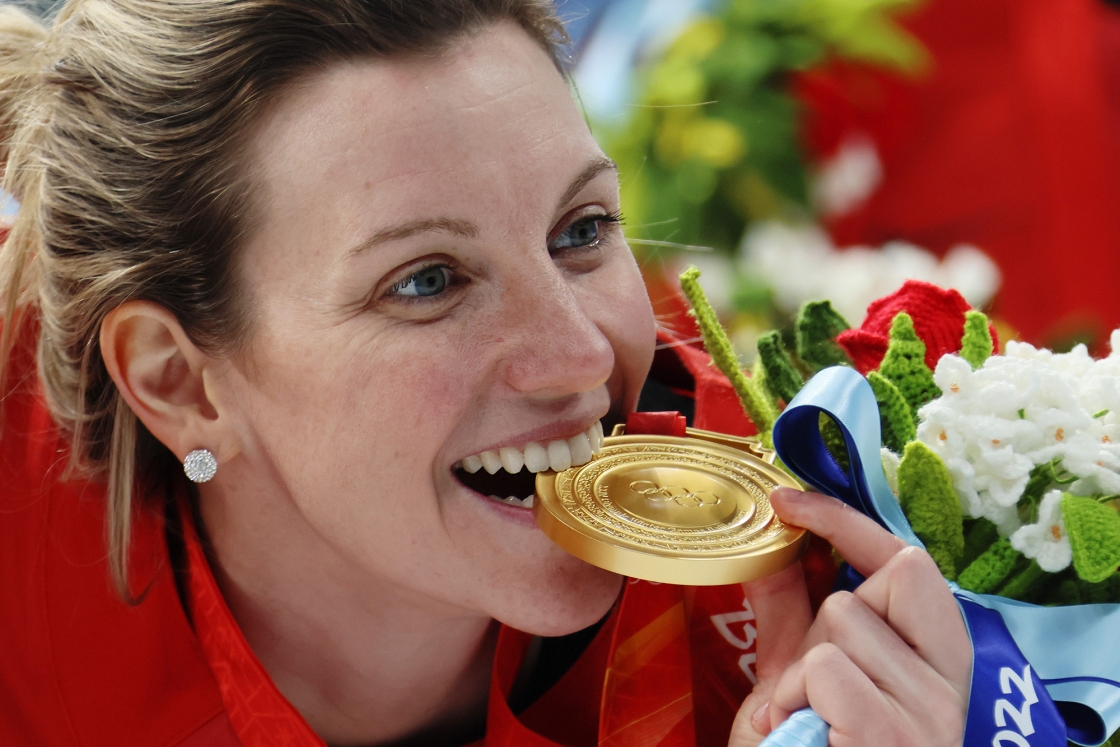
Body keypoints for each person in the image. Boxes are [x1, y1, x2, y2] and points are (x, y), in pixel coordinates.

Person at [0, 1, 971, 745]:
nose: (583, 357)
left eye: (582, 231)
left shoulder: (835, 586)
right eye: (425, 281)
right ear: (178, 382)